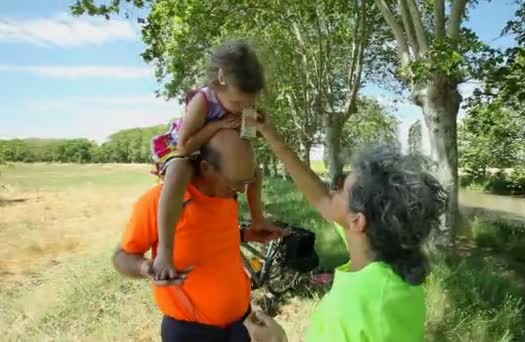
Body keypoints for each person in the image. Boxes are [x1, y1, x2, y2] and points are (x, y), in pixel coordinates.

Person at [243, 114, 447, 341]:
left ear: (357, 221)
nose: (332, 190)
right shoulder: (394, 269)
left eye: (341, 189)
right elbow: (320, 198)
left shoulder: (358, 307)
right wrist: (272, 136)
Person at [115, 129, 282, 341]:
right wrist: (145, 268)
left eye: (244, 182)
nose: (240, 191)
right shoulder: (159, 202)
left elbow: (207, 235)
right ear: (206, 168)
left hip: (242, 323)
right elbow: (121, 256)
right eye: (234, 183)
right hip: (191, 332)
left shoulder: (227, 194)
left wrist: (247, 235)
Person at [151, 40, 269, 281]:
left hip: (212, 151)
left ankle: (258, 219)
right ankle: (165, 250)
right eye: (237, 103)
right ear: (220, 81)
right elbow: (185, 144)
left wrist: (256, 126)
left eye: (249, 103)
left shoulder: (238, 102)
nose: (241, 108)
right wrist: (218, 125)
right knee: (178, 174)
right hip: (184, 148)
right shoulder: (203, 101)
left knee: (255, 173)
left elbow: (248, 134)